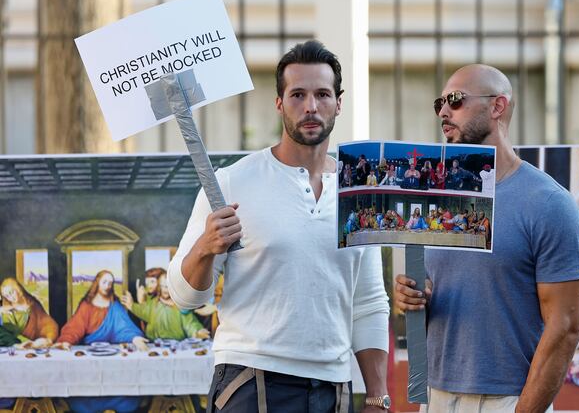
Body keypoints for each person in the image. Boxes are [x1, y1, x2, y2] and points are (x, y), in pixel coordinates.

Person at [167, 41, 390, 413]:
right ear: (279, 103)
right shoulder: (230, 183)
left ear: (339, 102)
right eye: (297, 94)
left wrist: (377, 396)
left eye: (322, 94)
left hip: (333, 386)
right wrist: (205, 247)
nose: (310, 107)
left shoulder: (359, 189)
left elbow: (367, 303)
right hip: (251, 381)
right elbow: (185, 297)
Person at [394, 64, 579, 413]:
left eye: (455, 100)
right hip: (436, 396)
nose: (443, 111)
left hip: (508, 399)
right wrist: (410, 299)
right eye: (440, 102)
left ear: (497, 106)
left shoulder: (549, 204)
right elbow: (429, 309)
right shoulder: (436, 198)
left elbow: (567, 327)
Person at [54, 270, 148, 413]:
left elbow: (124, 328)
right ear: (97, 283)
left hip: (114, 355)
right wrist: (66, 341)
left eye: (110, 283)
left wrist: (135, 338)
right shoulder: (87, 306)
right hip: (90, 356)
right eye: (104, 282)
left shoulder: (114, 306)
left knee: (121, 385)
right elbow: (75, 327)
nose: (107, 286)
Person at [121, 273, 209, 341]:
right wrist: (131, 305)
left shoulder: (180, 306)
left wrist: (197, 332)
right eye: (163, 286)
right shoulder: (153, 304)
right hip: (155, 344)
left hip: (176, 345)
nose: (165, 290)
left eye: (168, 287)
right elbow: (142, 310)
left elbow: (190, 323)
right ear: (159, 287)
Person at [0, 277, 59, 348]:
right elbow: (11, 333)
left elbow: (48, 324)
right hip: (19, 346)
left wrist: (49, 339)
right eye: (6, 296)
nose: (10, 297)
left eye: (11, 292)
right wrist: (30, 343)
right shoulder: (6, 312)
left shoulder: (32, 304)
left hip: (39, 345)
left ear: (18, 289)